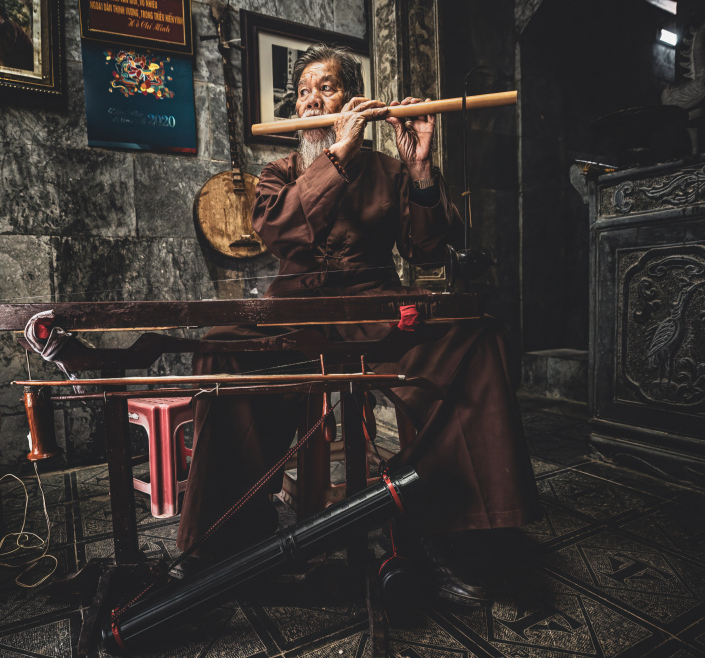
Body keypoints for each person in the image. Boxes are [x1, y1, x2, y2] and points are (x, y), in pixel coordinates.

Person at [175, 44, 540, 604]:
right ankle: (231, 534)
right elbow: (278, 234)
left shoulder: (391, 170)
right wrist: (338, 157)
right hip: (295, 309)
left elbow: (428, 248)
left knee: (474, 339)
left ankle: (457, 525)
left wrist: (420, 167)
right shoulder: (278, 172)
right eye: (304, 93)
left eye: (327, 88)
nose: (313, 100)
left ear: (356, 101)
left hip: (376, 306)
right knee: (221, 350)